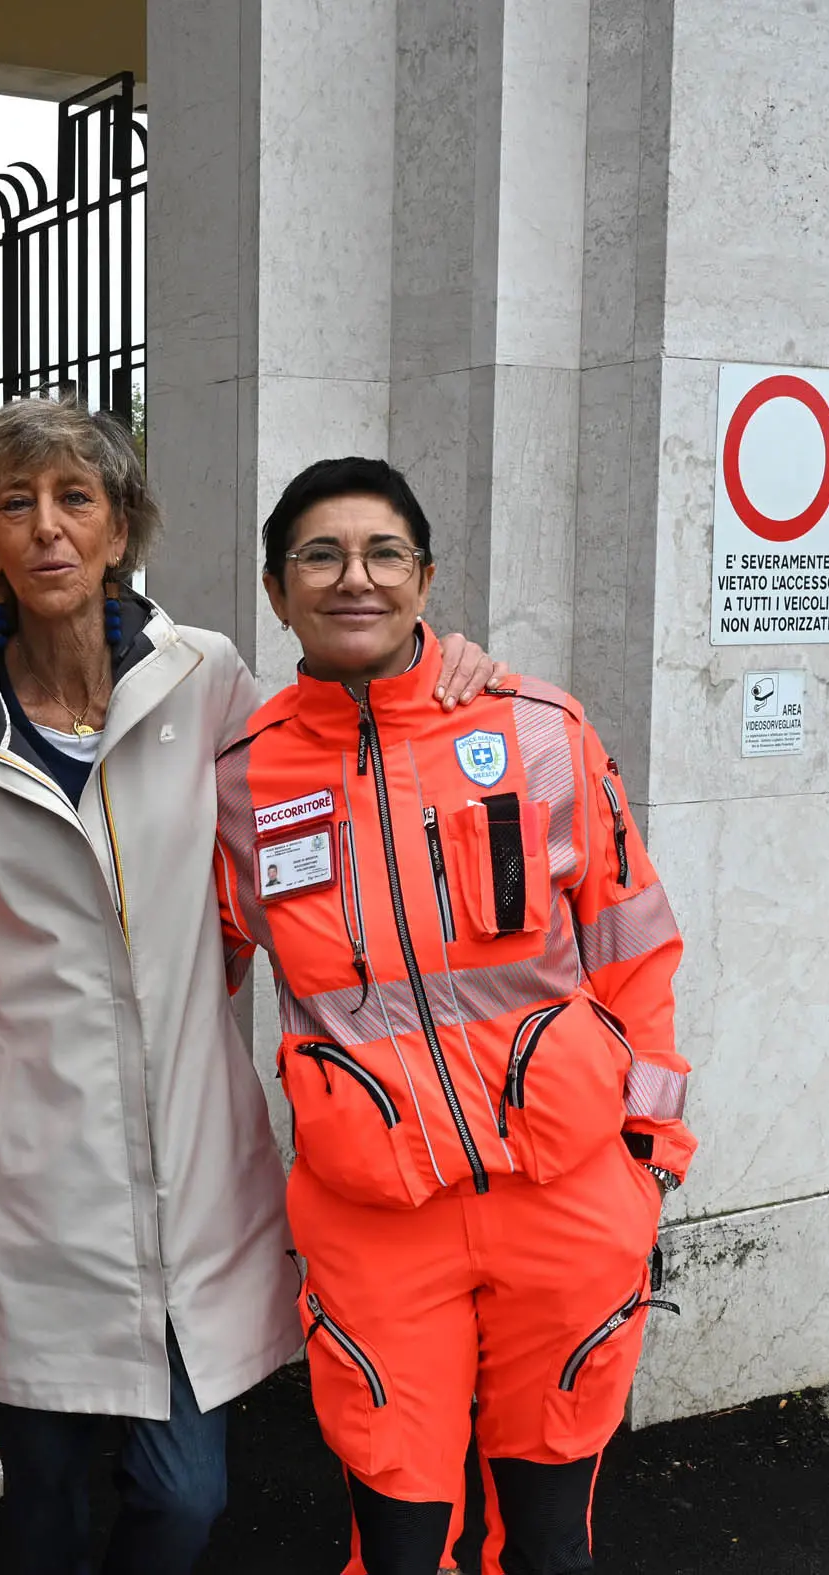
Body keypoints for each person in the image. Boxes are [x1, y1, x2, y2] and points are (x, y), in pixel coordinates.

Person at [0, 401, 506, 1575]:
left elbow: (331, 747)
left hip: (187, 1163)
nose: (50, 531)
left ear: (121, 529)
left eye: (78, 501)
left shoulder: (203, 677)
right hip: (21, 1178)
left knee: (183, 1498)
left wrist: (438, 663)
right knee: (49, 1510)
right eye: (19, 505)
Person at [213, 458, 696, 1575]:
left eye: (383, 554)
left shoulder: (532, 728)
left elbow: (636, 947)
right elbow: (193, 972)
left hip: (568, 1198)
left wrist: (649, 1156)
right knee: (396, 1542)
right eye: (319, 557)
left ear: (425, 579)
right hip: (373, 1220)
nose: (354, 579)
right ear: (277, 591)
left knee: (548, 1543)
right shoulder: (240, 773)